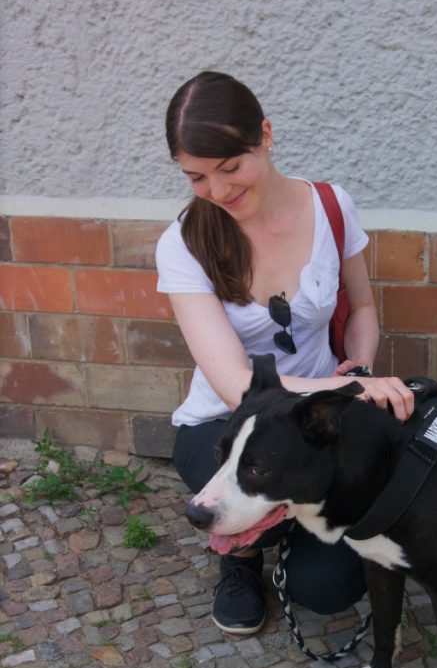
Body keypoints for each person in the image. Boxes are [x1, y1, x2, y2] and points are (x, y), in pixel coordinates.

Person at [156, 71, 414, 636]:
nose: (218, 191)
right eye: (196, 176)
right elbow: (236, 385)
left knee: (329, 591)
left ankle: (289, 518)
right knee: (250, 504)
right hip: (223, 427)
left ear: (265, 136)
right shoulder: (183, 243)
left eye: (230, 168)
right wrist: (348, 391)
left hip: (314, 424)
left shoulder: (330, 206)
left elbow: (363, 308)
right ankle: (242, 556)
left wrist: (360, 368)